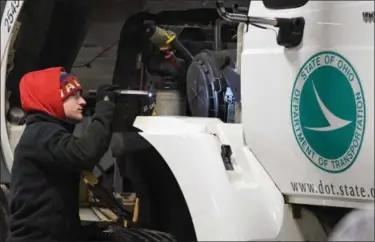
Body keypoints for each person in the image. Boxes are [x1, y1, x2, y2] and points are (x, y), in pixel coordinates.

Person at [6, 66, 119, 241]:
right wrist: (105, 106)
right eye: (73, 96)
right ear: (49, 98)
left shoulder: (47, 133)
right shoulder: (42, 133)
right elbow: (86, 153)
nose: (82, 101)